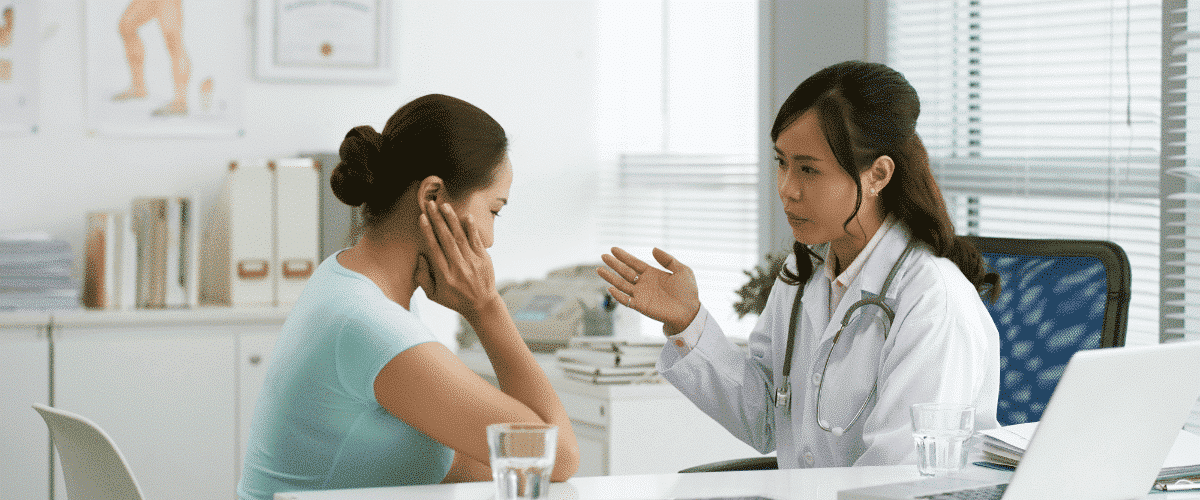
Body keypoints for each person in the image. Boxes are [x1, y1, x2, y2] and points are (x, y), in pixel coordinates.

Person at [598, 61, 1001, 468]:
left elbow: (898, 477)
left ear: (877, 174)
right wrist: (687, 321)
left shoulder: (932, 301)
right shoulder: (806, 273)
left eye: (808, 169)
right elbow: (764, 421)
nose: (787, 189)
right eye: (781, 163)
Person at [238, 94, 579, 500]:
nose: (488, 240)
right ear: (432, 196)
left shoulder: (350, 278)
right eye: (493, 210)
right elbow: (556, 457)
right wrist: (487, 310)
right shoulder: (369, 323)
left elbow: (444, 462)